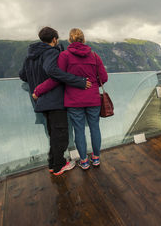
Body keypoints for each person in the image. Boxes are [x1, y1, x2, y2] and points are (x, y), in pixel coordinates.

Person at [19, 26, 91, 176]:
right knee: (61, 134)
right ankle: (59, 166)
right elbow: (53, 71)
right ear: (54, 39)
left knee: (53, 134)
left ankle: (53, 164)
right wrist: (79, 81)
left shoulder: (30, 56)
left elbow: (23, 76)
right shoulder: (51, 51)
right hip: (54, 99)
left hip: (40, 101)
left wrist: (37, 85)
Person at [33, 28, 108, 170]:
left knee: (79, 130)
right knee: (94, 128)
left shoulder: (64, 56)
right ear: (83, 39)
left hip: (74, 101)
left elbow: (57, 78)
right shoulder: (94, 55)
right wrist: (92, 86)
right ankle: (96, 159)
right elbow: (104, 78)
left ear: (70, 40)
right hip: (93, 99)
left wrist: (38, 90)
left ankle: (84, 162)